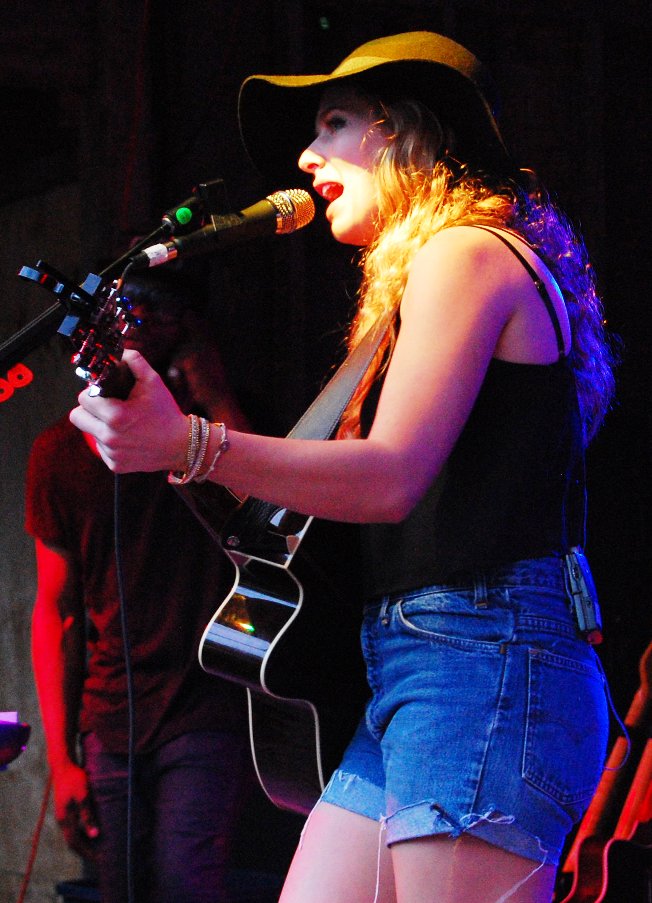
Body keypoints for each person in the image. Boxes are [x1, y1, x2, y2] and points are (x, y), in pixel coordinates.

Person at [68, 31, 617, 903]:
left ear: (402, 133)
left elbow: (390, 476)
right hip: (425, 666)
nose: (305, 154)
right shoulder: (428, 274)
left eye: (332, 123)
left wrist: (191, 445)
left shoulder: (466, 252)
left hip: (486, 662)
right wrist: (181, 447)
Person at [27, 270, 253, 903]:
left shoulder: (227, 431)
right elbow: (55, 611)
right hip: (110, 716)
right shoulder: (60, 452)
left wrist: (215, 399)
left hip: (208, 703)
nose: (145, 324)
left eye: (165, 312)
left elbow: (276, 522)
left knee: (187, 885)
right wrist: (63, 757)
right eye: (131, 309)